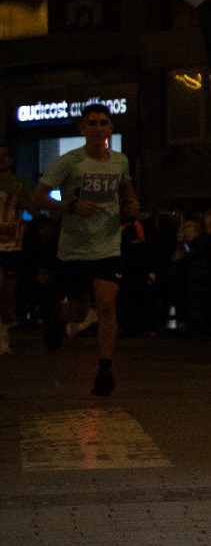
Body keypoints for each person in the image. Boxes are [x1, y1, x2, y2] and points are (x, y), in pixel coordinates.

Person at [37, 104, 140, 396]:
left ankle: (105, 370)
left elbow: (127, 193)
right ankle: (60, 315)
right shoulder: (69, 162)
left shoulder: (119, 161)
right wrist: (69, 207)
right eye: (92, 123)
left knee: (106, 306)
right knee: (79, 313)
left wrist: (132, 206)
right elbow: (37, 199)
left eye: (103, 123)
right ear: (82, 129)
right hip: (75, 250)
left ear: (111, 128)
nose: (98, 128)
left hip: (107, 246)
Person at [0, 143, 28, 353]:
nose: (2, 160)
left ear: (10, 159)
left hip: (14, 245)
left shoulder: (21, 183)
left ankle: (4, 336)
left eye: (5, 155)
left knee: (9, 293)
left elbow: (33, 208)